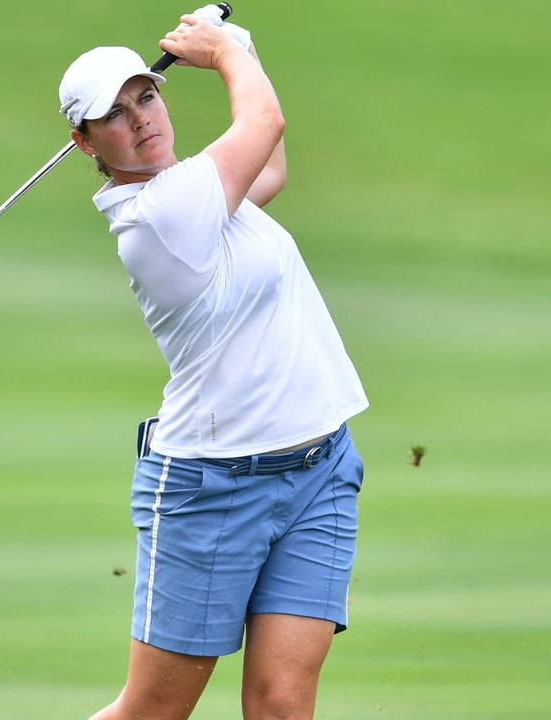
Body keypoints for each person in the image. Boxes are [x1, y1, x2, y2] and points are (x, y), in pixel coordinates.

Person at [58, 10, 370, 720]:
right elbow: (266, 123)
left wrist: (243, 47)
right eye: (113, 115)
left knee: (283, 704)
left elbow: (273, 166)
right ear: (85, 144)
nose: (140, 119)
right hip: (212, 488)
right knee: (152, 712)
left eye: (146, 95)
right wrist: (227, 49)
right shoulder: (162, 216)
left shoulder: (202, 193)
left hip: (318, 469)